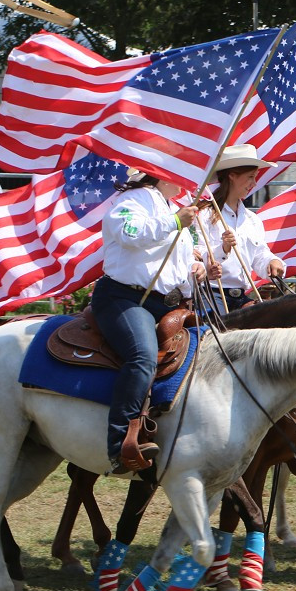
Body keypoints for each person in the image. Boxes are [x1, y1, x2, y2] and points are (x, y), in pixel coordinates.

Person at [91, 168, 219, 474]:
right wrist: (176, 222)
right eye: (177, 169)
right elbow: (130, 233)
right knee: (142, 356)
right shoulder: (132, 200)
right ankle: (120, 442)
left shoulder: (168, 207)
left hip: (165, 303)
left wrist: (195, 269)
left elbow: (172, 263)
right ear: (161, 175)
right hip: (124, 299)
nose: (186, 177)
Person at [198, 144, 286, 312]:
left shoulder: (253, 220)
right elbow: (195, 254)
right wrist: (223, 249)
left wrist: (272, 262)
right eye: (250, 177)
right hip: (211, 293)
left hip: (242, 297)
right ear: (232, 175)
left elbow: (260, 255)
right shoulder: (204, 214)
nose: (254, 183)